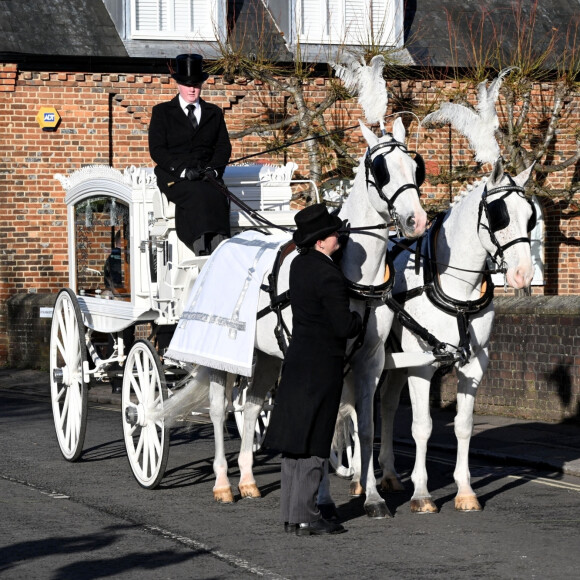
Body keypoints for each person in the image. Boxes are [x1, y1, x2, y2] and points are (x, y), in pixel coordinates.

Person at [263, 203, 362, 536]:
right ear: (321, 240)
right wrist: (358, 321)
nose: (339, 237)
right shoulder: (328, 274)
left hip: (297, 362)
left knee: (295, 443)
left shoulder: (299, 265)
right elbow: (341, 324)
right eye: (335, 233)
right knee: (316, 443)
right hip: (322, 367)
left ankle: (292, 517)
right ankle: (307, 516)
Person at [148, 53, 232, 254]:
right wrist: (183, 171)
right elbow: (157, 149)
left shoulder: (214, 113)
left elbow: (223, 147)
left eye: (196, 84)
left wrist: (214, 169)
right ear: (178, 85)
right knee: (197, 193)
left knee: (218, 194)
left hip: (206, 174)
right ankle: (200, 246)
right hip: (174, 175)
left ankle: (220, 245)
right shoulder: (162, 112)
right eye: (187, 84)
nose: (192, 89)